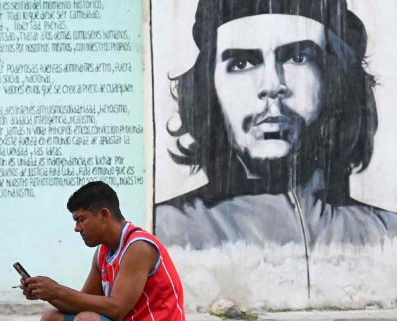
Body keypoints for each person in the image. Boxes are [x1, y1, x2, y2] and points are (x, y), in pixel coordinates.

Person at [154, 0, 397, 249]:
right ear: (208, 89)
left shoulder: (387, 236)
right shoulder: (162, 233)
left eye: (297, 57)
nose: (271, 85)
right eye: (242, 63)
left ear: (336, 78)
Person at [23, 181, 189, 321]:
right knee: (50, 320)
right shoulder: (103, 251)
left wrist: (56, 291)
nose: (77, 228)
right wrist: (45, 293)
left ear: (103, 215)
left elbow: (116, 309)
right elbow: (80, 302)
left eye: (81, 219)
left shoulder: (138, 247)